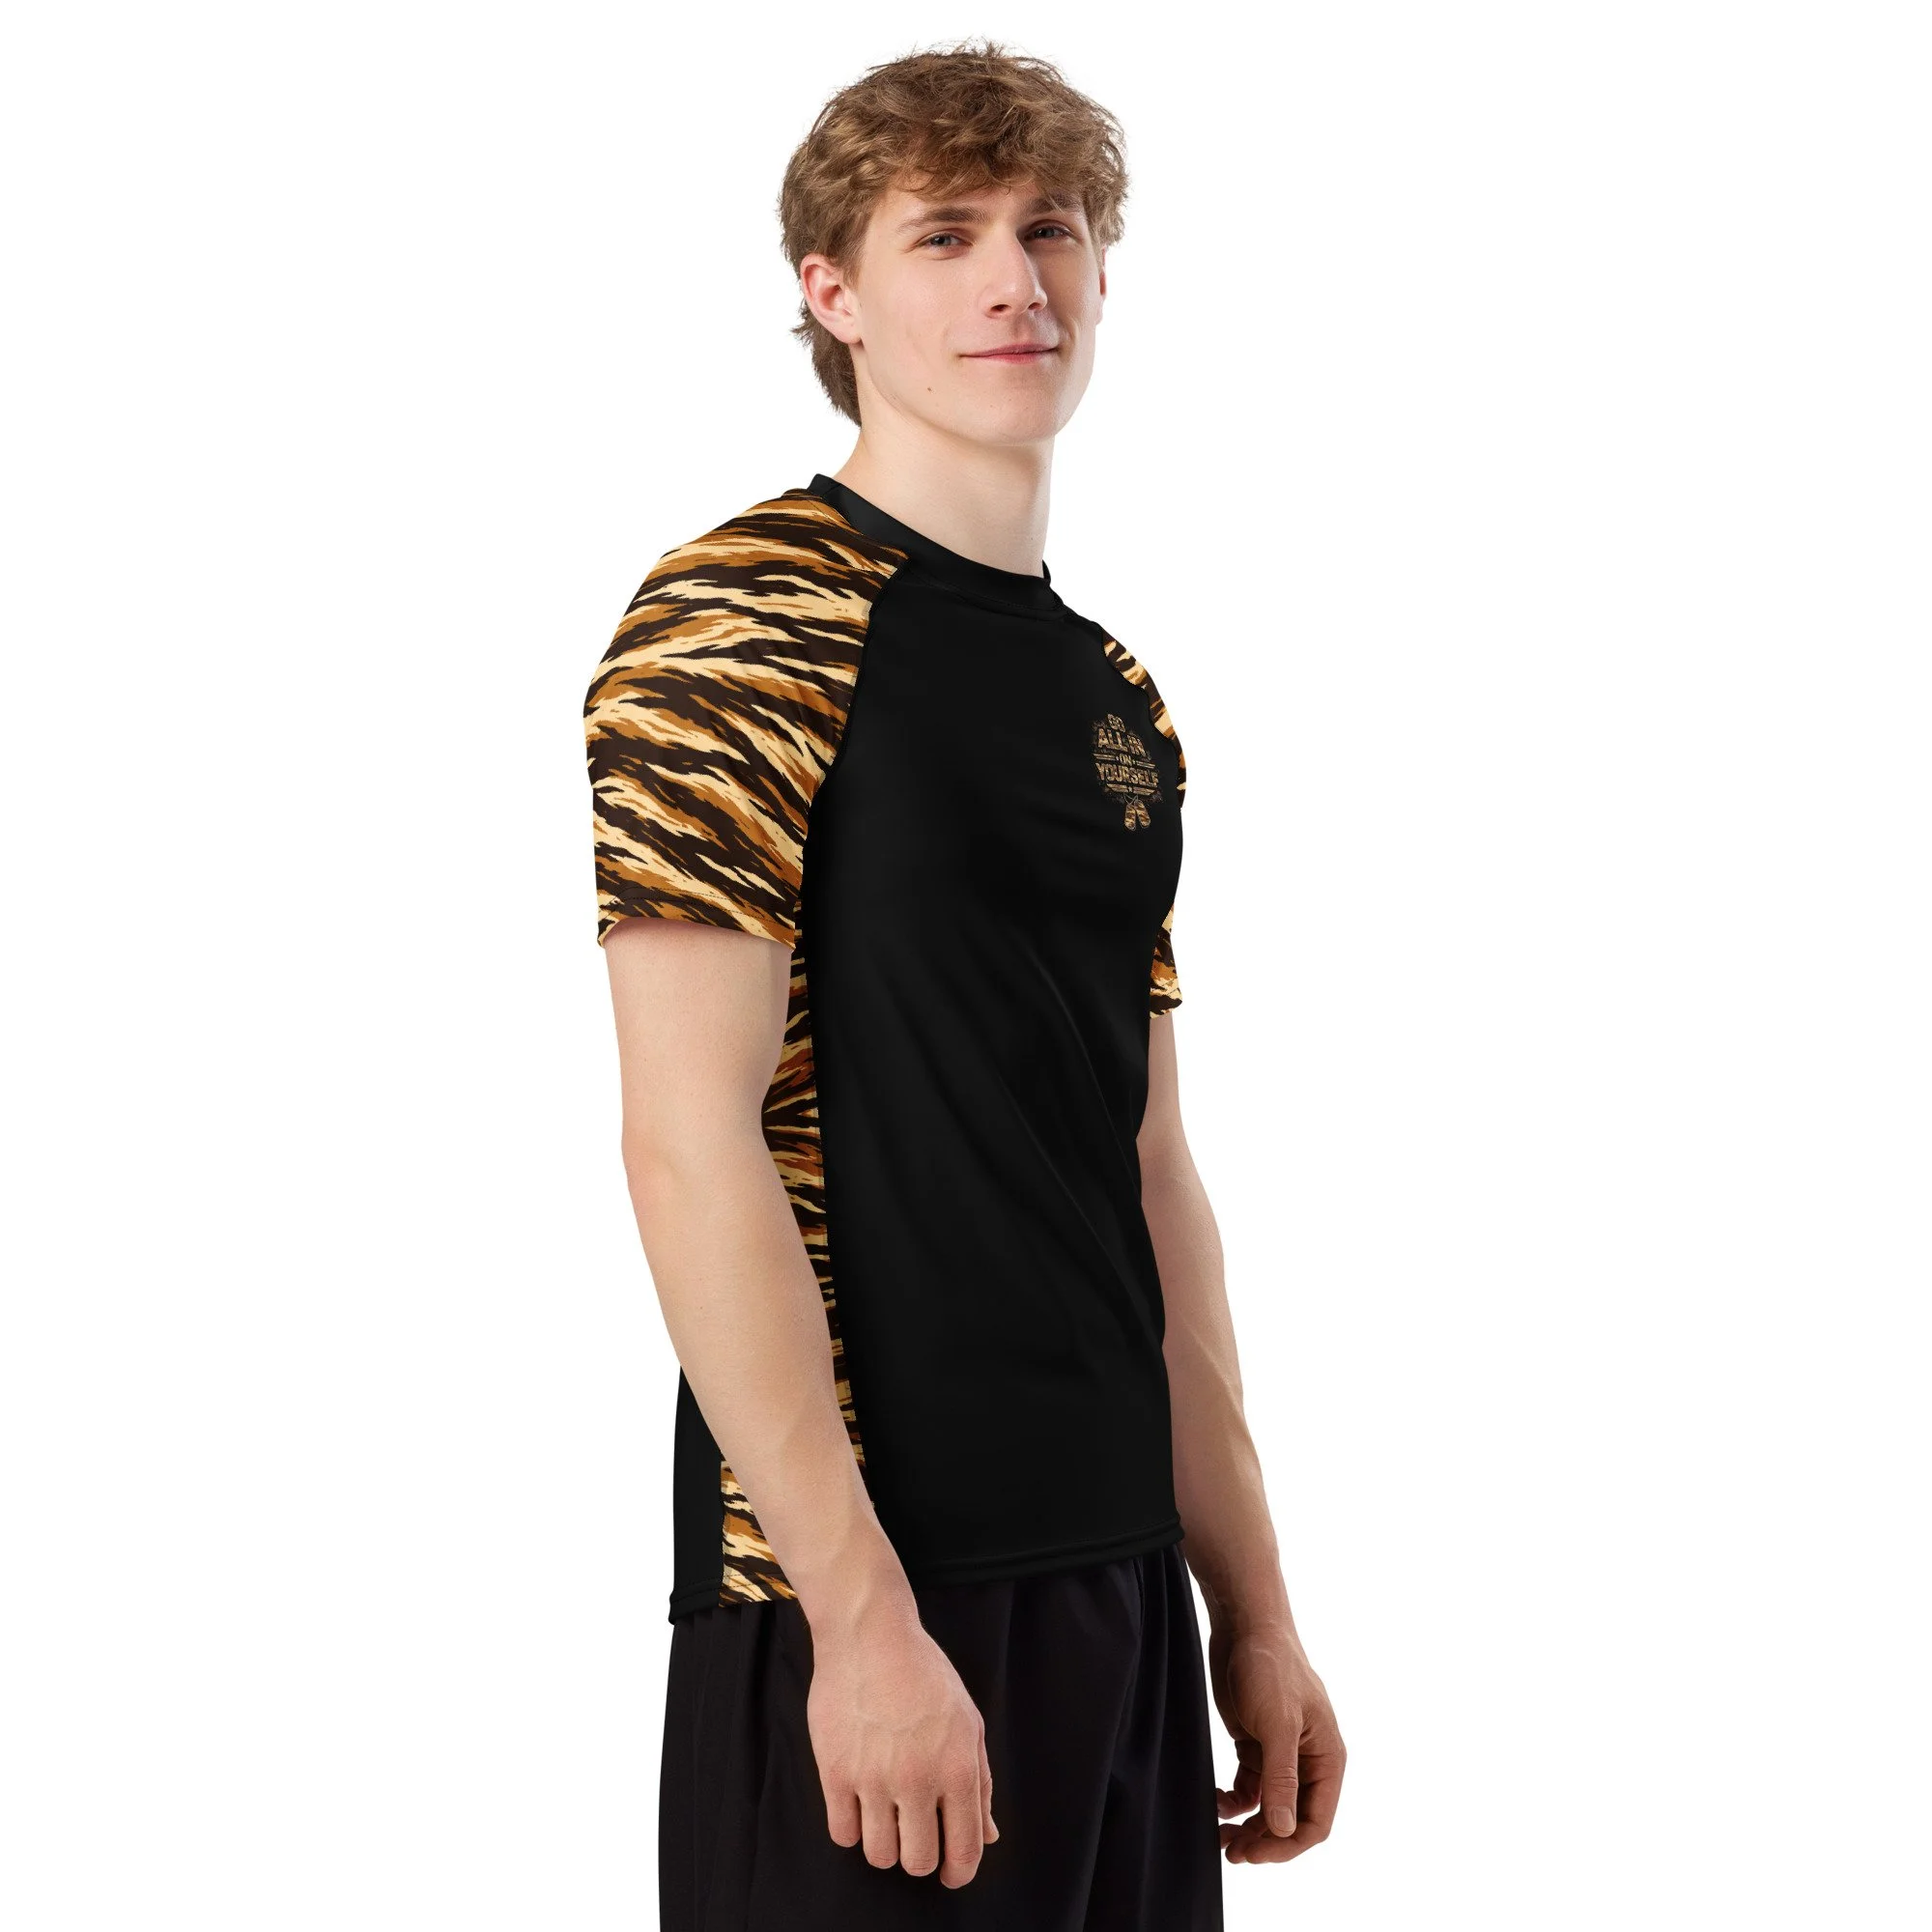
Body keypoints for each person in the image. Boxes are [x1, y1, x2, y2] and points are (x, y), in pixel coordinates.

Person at [582, 39, 1344, 1931]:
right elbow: (687, 1140)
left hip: (1118, 1575)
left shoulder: (1112, 691)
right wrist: (858, 1618)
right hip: (863, 1591)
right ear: (832, 295)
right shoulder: (746, 617)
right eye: (945, 235)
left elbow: (1146, 1166)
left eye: (1051, 228)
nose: (1018, 279)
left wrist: (1250, 1602)